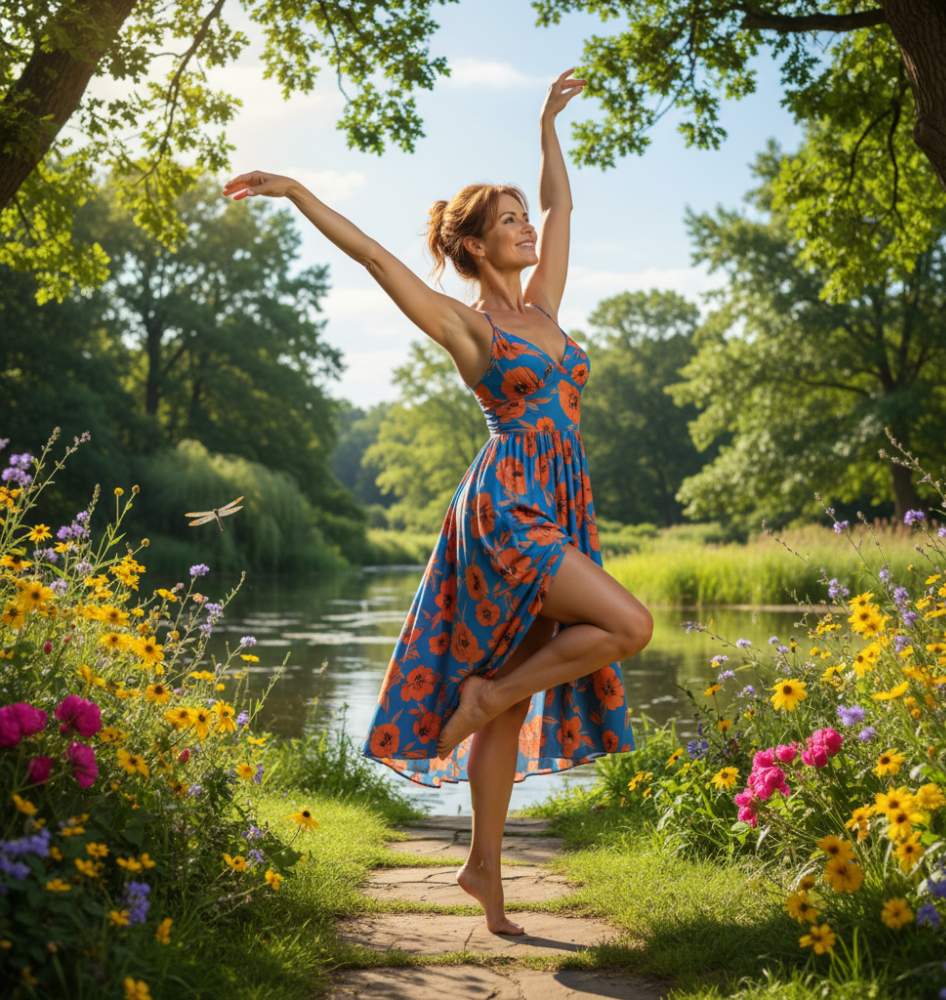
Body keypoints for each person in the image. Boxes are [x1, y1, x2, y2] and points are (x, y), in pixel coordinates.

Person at [223, 68, 653, 936]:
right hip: (507, 514)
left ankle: (484, 871)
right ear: (474, 246)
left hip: (562, 503)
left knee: (517, 686)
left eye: (522, 217)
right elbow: (379, 259)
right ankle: (486, 700)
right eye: (509, 222)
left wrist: (546, 128)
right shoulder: (471, 330)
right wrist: (300, 191)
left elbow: (565, 210)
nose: (528, 228)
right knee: (628, 627)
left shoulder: (546, 308)